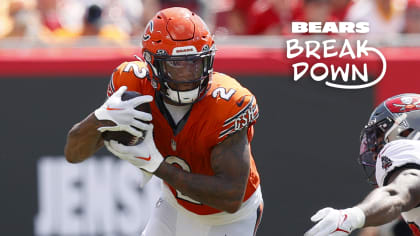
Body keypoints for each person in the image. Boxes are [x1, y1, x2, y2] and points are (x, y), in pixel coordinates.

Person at [64, 7, 263, 236]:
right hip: (174, 206)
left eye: (194, 63)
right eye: (177, 65)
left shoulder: (226, 103)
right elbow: (73, 153)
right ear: (152, 63)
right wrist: (99, 119)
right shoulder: (133, 85)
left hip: (229, 219)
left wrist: (156, 166)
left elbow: (230, 196)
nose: (188, 75)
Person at [304, 93, 420, 236]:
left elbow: (399, 193)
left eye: (378, 136)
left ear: (404, 130)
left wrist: (353, 216)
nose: (373, 150)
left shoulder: (409, 152)